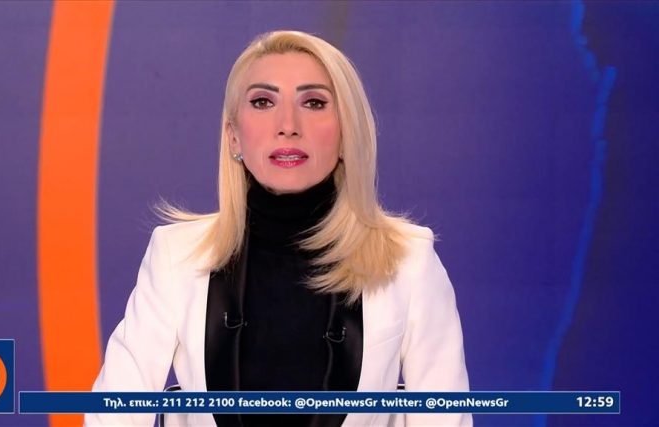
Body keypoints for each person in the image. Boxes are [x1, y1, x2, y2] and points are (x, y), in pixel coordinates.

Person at [85, 30, 471, 427]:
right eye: (263, 102)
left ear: (346, 134)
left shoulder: (409, 260)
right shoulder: (176, 254)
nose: (288, 125)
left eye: (314, 102)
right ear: (233, 136)